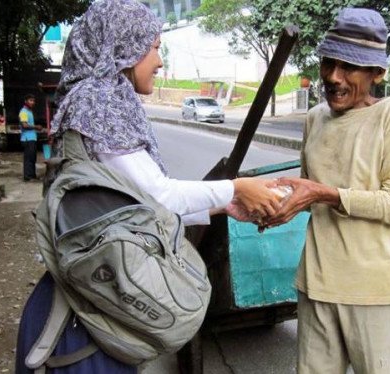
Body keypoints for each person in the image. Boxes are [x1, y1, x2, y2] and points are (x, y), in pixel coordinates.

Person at [15, 0, 280, 372]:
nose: (159, 61)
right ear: (123, 45)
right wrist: (234, 189)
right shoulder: (98, 102)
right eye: (154, 47)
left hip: (97, 288)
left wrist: (223, 207)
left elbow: (135, 210)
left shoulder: (95, 99)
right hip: (90, 309)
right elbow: (158, 196)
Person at [265, 8, 390, 374]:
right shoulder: (314, 118)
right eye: (328, 64)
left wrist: (323, 194)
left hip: (373, 290)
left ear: (377, 73)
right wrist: (273, 206)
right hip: (316, 285)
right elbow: (308, 192)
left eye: (348, 68)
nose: (334, 77)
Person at [19, 94, 42, 181]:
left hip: (32, 138)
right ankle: (27, 177)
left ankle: (32, 175)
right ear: (26, 101)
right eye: (30, 100)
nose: (33, 102)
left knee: (32, 158)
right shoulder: (24, 112)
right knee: (28, 158)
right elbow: (24, 125)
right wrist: (36, 127)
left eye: (33, 101)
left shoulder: (29, 111)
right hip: (27, 138)